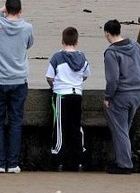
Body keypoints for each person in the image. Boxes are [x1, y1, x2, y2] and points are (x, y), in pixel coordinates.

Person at [0, 0, 34, 174]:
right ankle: (12, 164)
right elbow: (29, 44)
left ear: (6, 9)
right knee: (15, 122)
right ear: (20, 10)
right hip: (18, 80)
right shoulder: (27, 28)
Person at [102, 19, 140, 174]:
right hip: (137, 93)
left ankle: (124, 164)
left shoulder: (111, 52)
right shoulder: (135, 45)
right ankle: (123, 159)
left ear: (107, 33)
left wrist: (108, 97)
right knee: (124, 129)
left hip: (121, 95)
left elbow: (113, 79)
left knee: (120, 130)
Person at [45, 26, 91, 172]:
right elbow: (86, 74)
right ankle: (79, 159)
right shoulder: (82, 57)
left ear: (62, 40)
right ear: (76, 41)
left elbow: (49, 77)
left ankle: (57, 159)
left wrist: (55, 85)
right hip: (76, 94)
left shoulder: (57, 57)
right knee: (76, 127)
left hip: (61, 95)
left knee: (60, 127)